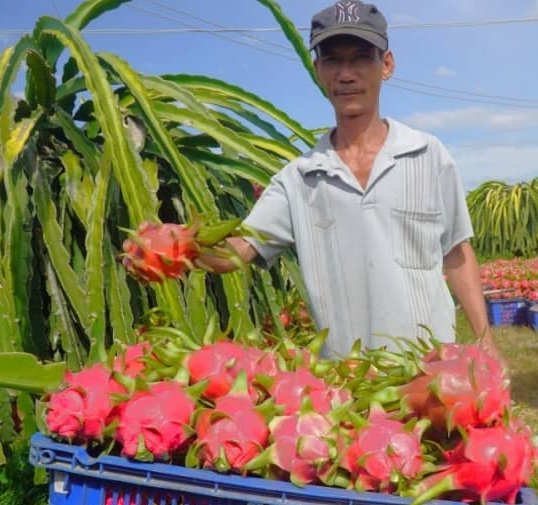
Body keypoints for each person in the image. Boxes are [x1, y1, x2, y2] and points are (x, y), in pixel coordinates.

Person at [199, 1, 500, 361]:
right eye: (332, 60)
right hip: (346, 387)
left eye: (360, 57)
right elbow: (240, 250)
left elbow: (456, 252)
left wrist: (485, 340)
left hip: (431, 375)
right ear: (317, 70)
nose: (346, 74)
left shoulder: (427, 155)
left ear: (386, 65)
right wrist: (171, 248)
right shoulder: (300, 178)